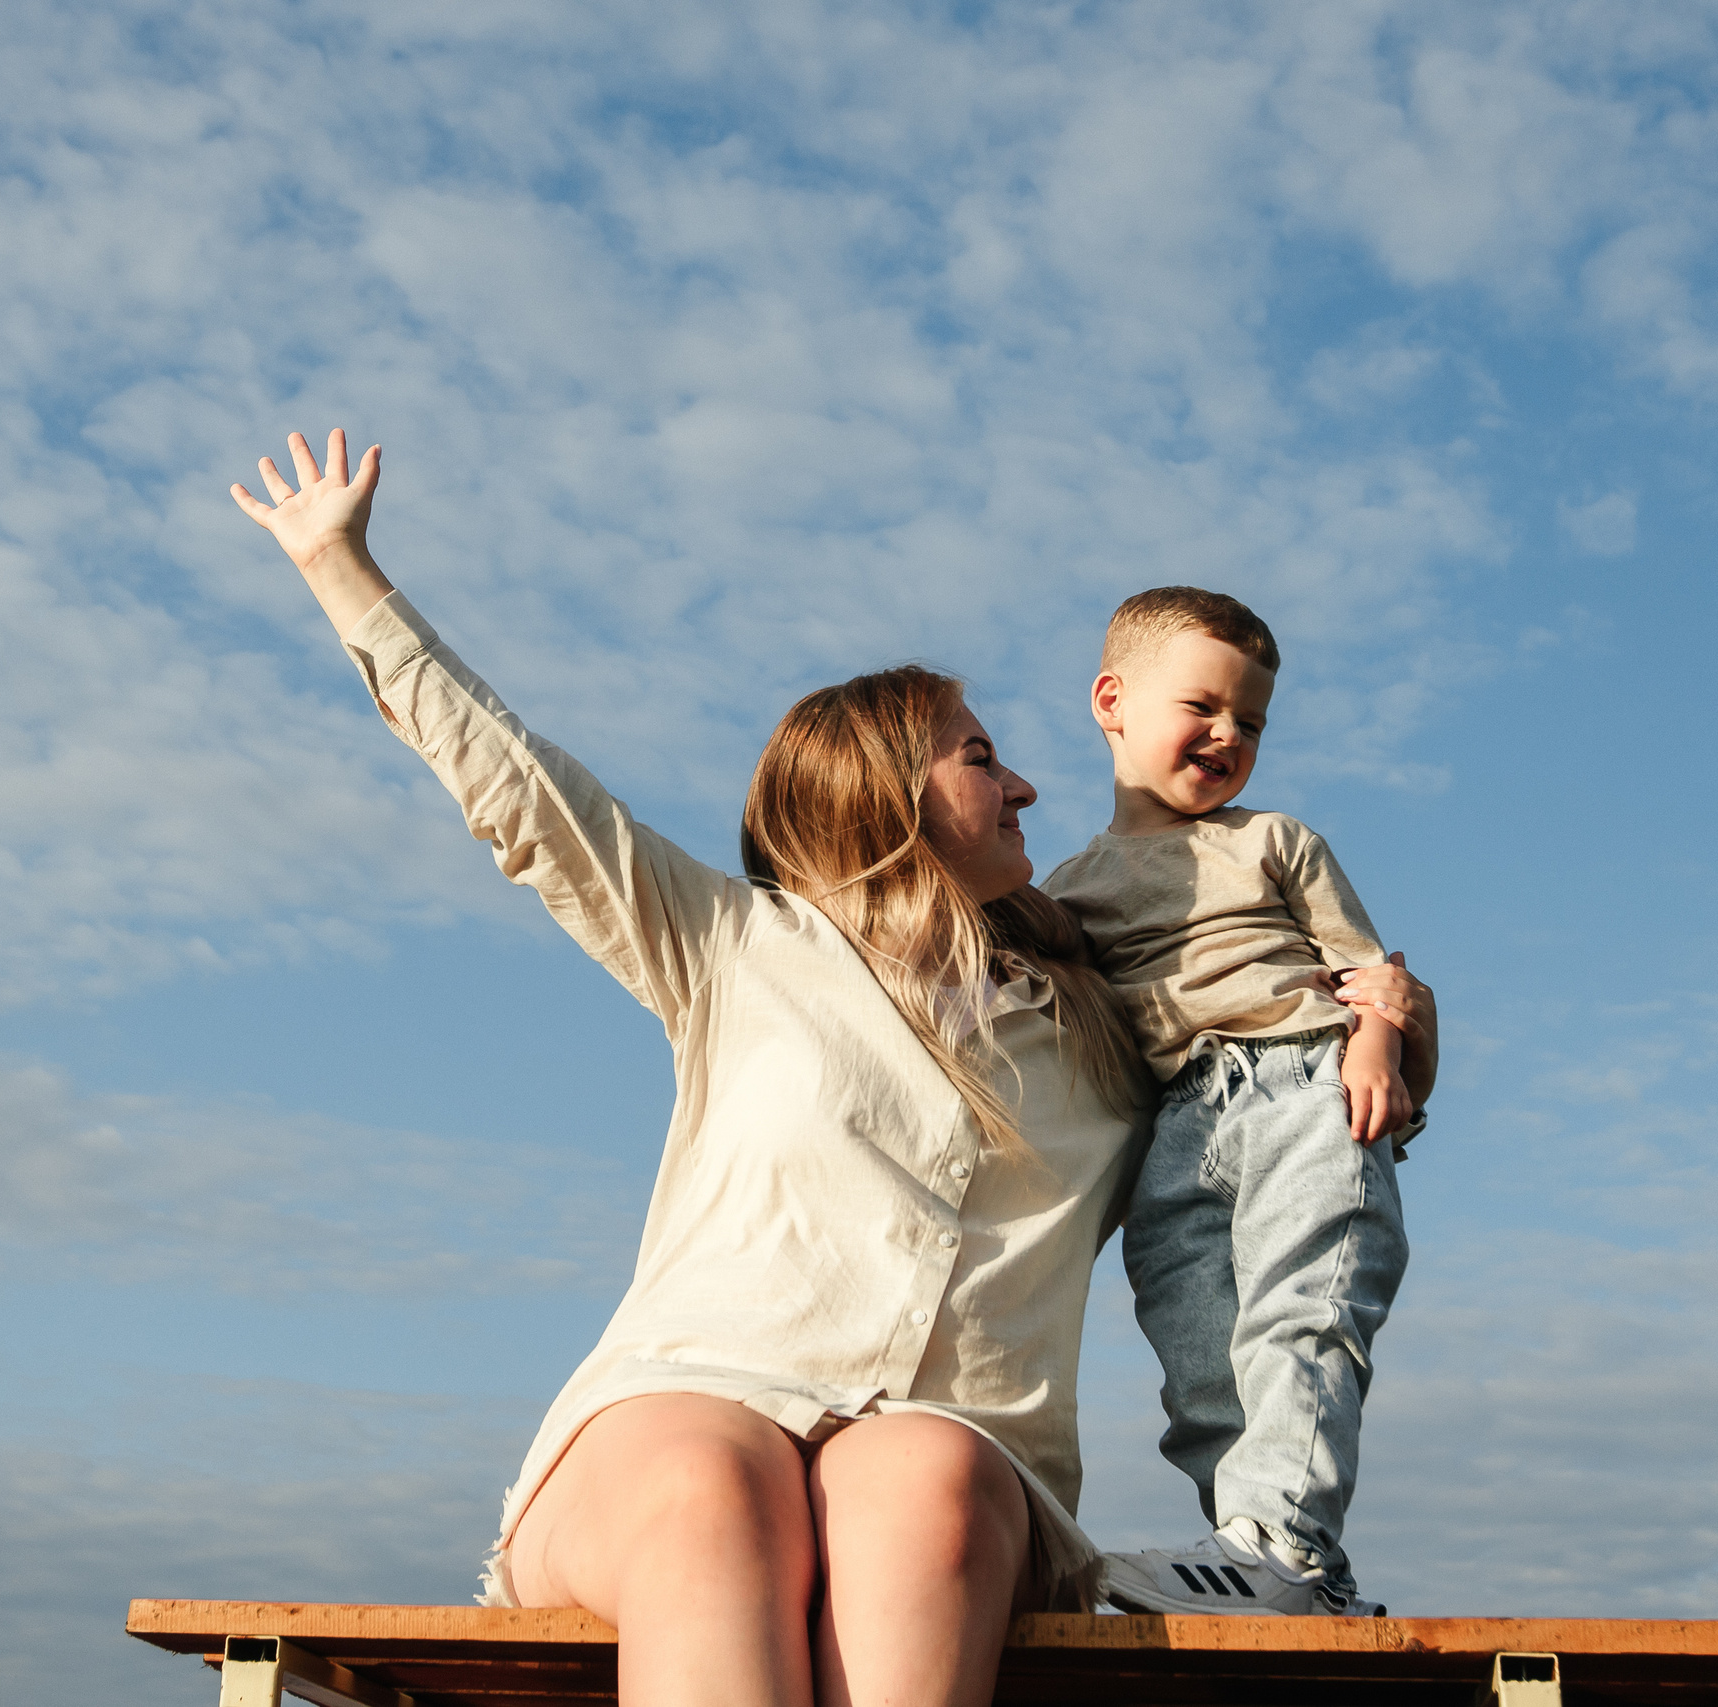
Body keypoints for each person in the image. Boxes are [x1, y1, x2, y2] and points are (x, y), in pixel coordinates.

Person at [228, 434, 1438, 1707]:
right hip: (678, 1416)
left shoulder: (1106, 1029)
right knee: (716, 1482)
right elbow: (529, 798)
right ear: (885, 787)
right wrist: (342, 570)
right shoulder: (735, 946)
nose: (1027, 782)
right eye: (980, 756)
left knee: (922, 1473)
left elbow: (1287, 1099)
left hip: (969, 1452)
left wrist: (1395, 1015)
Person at [1040, 587, 1422, 1618]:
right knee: (1202, 1358)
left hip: (1299, 1080)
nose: (1227, 733)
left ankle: (1284, 1547)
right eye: (1202, 706)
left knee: (1301, 1315)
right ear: (1111, 700)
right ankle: (1275, 1568)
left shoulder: (1274, 841)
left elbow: (1366, 972)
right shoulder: (1066, 894)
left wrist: (1378, 1045)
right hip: (1174, 1132)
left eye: (1249, 721)